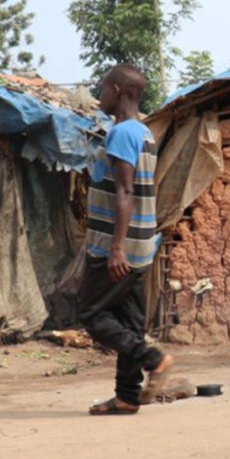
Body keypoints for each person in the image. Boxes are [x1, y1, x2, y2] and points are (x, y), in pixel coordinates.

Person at [79, 64, 172, 415]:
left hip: (116, 245)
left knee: (90, 312)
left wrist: (115, 247)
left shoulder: (120, 134)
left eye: (102, 88)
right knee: (129, 318)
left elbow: (125, 190)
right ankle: (127, 396)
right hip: (142, 242)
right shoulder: (144, 133)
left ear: (117, 90)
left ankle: (153, 358)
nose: (99, 95)